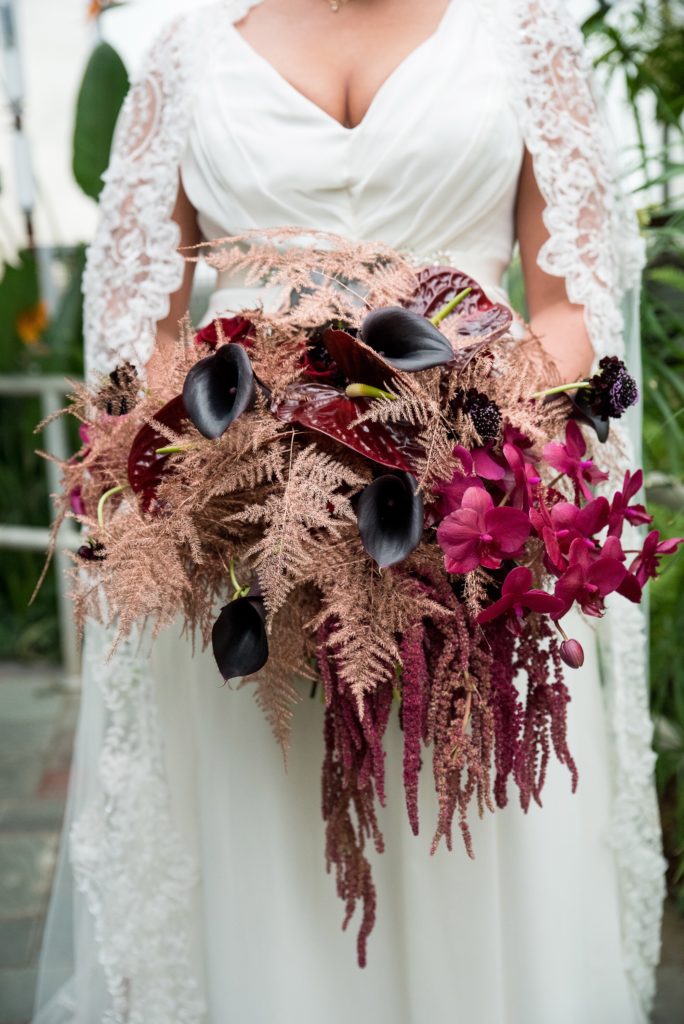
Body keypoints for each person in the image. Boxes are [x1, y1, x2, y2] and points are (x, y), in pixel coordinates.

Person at [33, 1, 665, 1022]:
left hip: (470, 542)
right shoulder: (182, 58)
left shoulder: (525, 36)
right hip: (251, 564)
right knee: (276, 882)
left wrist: (475, 449)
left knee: (465, 848)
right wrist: (230, 476)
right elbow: (137, 333)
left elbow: (570, 298)